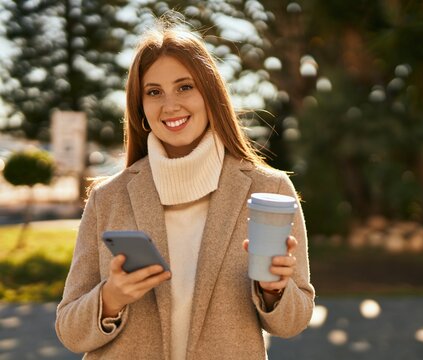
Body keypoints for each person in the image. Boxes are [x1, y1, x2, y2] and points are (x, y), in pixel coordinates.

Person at [55, 14, 315, 360]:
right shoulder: (108, 198)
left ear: (210, 94)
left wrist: (274, 291)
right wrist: (111, 298)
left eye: (185, 86)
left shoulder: (269, 191)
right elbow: (70, 331)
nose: (170, 105)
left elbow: (293, 323)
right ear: (141, 109)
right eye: (153, 92)